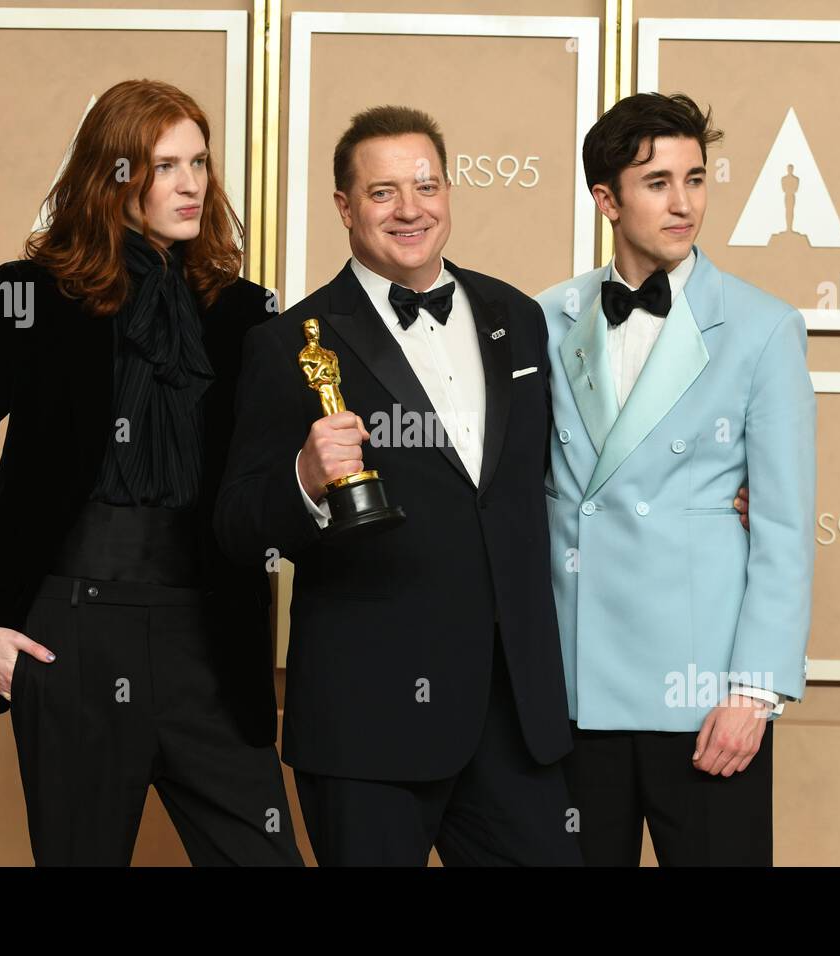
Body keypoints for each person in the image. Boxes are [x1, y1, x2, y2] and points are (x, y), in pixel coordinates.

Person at [0, 79, 301, 866]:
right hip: (71, 638)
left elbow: (267, 487)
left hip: (212, 639)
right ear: (113, 176)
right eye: (164, 166)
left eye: (199, 161)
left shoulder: (244, 313)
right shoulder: (34, 297)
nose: (192, 183)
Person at [214, 106, 582, 865]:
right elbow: (236, 525)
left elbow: (550, 476)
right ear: (346, 208)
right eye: (383, 193)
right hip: (368, 724)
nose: (410, 209)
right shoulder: (288, 343)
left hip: (515, 715)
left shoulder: (517, 315)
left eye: (426, 185)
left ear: (449, 191)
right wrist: (304, 479)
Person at [535, 92, 816, 866]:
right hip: (572, 696)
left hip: (706, 704)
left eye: (695, 178)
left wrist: (755, 694)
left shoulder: (763, 328)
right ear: (606, 199)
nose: (684, 202)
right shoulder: (544, 318)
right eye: (657, 182)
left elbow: (786, 530)